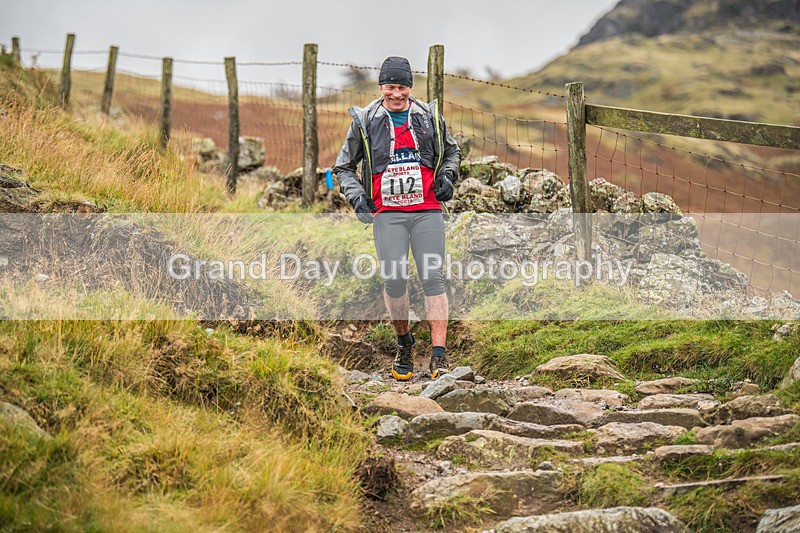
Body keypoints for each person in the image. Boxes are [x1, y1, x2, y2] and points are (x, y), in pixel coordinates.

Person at [333, 56, 461, 381]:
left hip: (427, 211)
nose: (396, 94)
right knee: (395, 280)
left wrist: (447, 177)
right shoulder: (365, 120)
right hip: (388, 215)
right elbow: (342, 168)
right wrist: (358, 199)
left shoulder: (428, 116)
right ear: (381, 87)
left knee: (433, 278)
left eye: (402, 87)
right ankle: (404, 343)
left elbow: (452, 152)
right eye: (391, 87)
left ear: (410, 87)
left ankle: (439, 356)